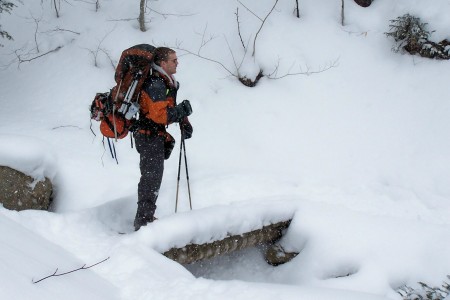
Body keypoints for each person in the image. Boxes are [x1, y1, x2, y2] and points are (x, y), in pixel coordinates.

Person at [133, 47, 193, 231]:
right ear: (162, 63)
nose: (177, 62)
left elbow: (166, 109)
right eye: (173, 60)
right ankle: (143, 222)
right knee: (151, 178)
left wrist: (183, 119)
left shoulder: (165, 82)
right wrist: (181, 111)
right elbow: (160, 115)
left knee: (153, 177)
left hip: (153, 135)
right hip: (148, 136)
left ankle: (145, 218)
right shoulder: (155, 84)